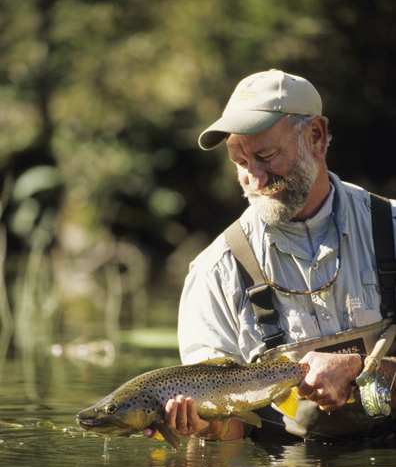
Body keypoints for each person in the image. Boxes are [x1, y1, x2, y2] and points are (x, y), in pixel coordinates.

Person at [144, 69, 396, 444]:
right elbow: (235, 432)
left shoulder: (391, 228)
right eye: (241, 162)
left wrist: (366, 368)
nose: (255, 179)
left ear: (317, 138)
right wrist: (209, 427)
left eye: (265, 155)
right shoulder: (215, 273)